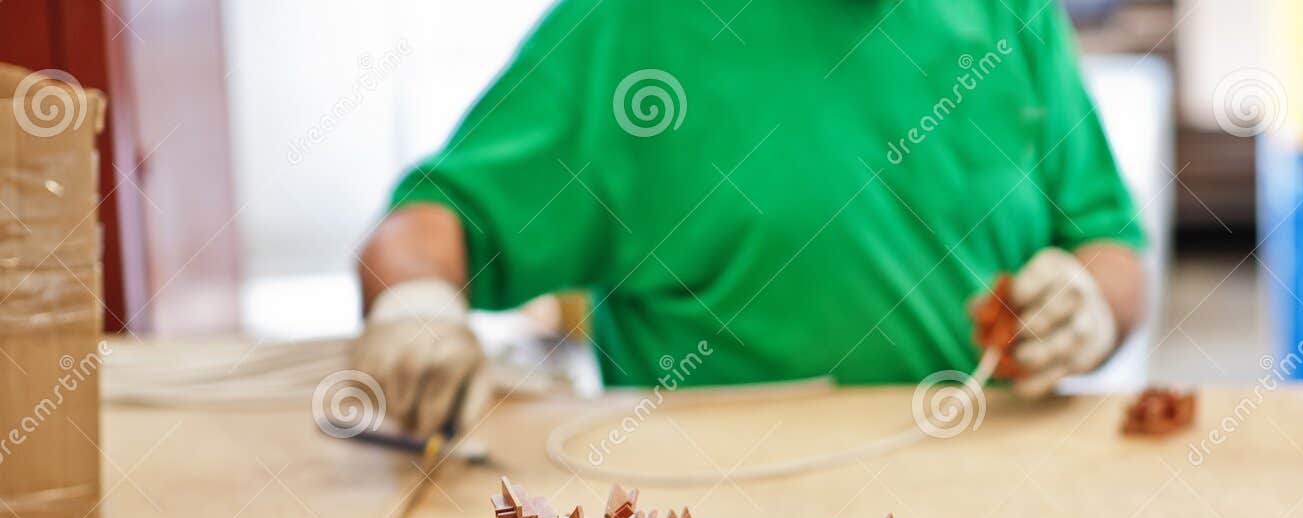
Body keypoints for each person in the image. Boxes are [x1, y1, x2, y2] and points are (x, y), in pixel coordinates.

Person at [355, 0, 1145, 434]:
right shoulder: (631, 27)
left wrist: (1092, 306)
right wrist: (413, 305)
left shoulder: (1010, 18)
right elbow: (425, 227)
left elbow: (1111, 242)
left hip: (989, 503)